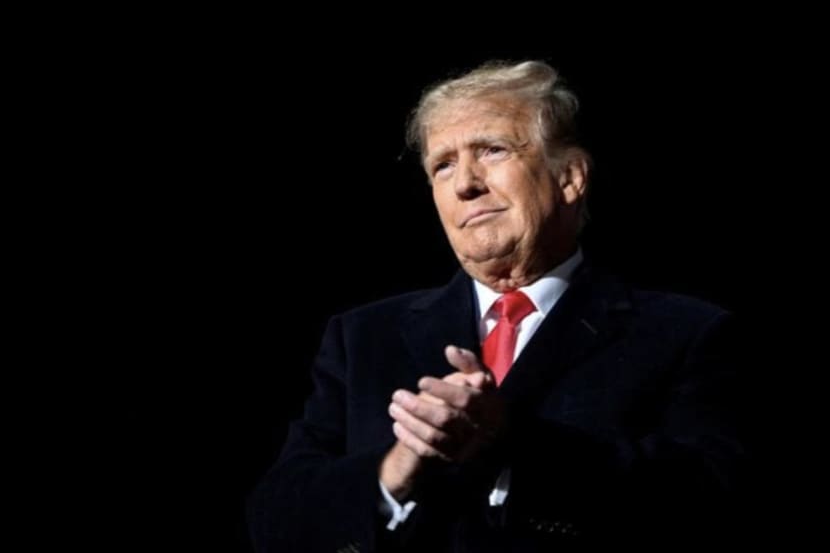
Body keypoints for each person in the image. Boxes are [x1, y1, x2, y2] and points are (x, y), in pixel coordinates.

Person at [247, 60, 752, 552]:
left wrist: (513, 443)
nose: (465, 184)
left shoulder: (687, 333)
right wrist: (395, 469)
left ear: (570, 177)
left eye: (491, 150)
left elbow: (712, 502)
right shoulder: (362, 338)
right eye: (443, 165)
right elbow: (275, 519)